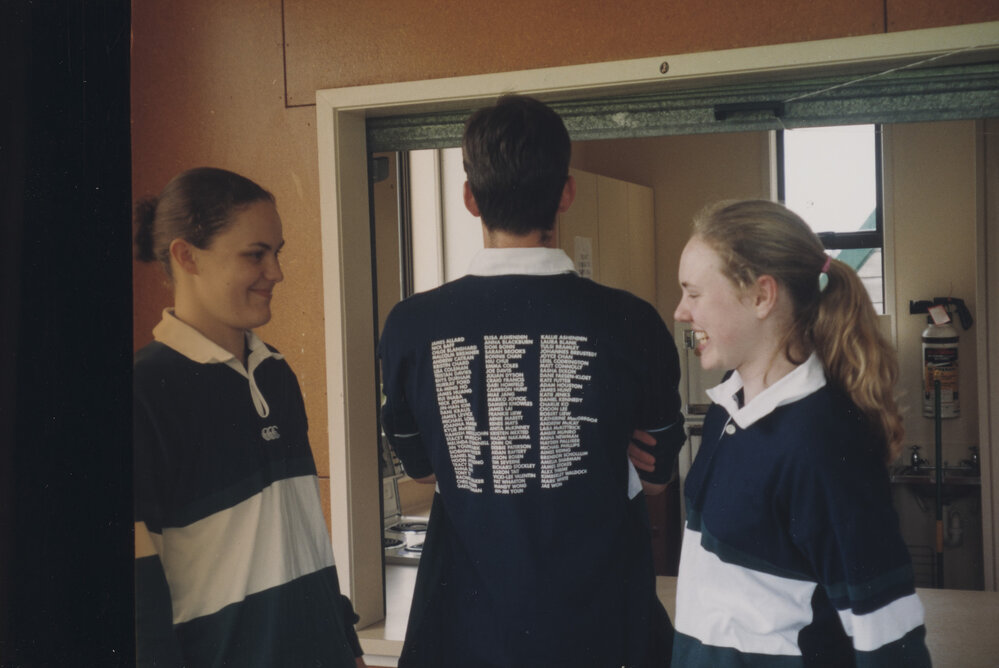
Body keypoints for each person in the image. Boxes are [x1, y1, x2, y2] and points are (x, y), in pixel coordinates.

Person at [377, 95, 685, 668]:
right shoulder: (632, 322)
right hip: (600, 635)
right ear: (566, 193)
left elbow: (422, 469)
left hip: (465, 638)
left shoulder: (411, 326)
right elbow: (657, 478)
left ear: (469, 198)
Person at [670, 199, 931, 666]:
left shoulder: (822, 443)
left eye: (694, 293)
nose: (680, 312)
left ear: (761, 296)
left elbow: (889, 636)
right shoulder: (727, 410)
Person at [132, 167, 366, 667]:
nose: (276, 272)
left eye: (276, 252)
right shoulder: (143, 392)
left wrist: (347, 645)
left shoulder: (275, 371)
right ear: (186, 256)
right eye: (255, 254)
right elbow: (137, 599)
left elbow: (302, 535)